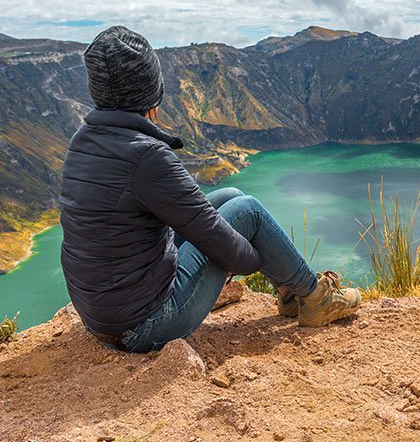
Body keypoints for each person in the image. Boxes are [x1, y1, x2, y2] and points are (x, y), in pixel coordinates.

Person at [60, 26, 361, 353]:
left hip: (101, 314)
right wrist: (249, 257)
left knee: (230, 196)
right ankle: (316, 298)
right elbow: (225, 245)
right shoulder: (147, 156)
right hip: (145, 323)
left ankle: (290, 292)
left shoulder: (84, 140)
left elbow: (193, 218)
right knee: (249, 213)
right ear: (150, 91)